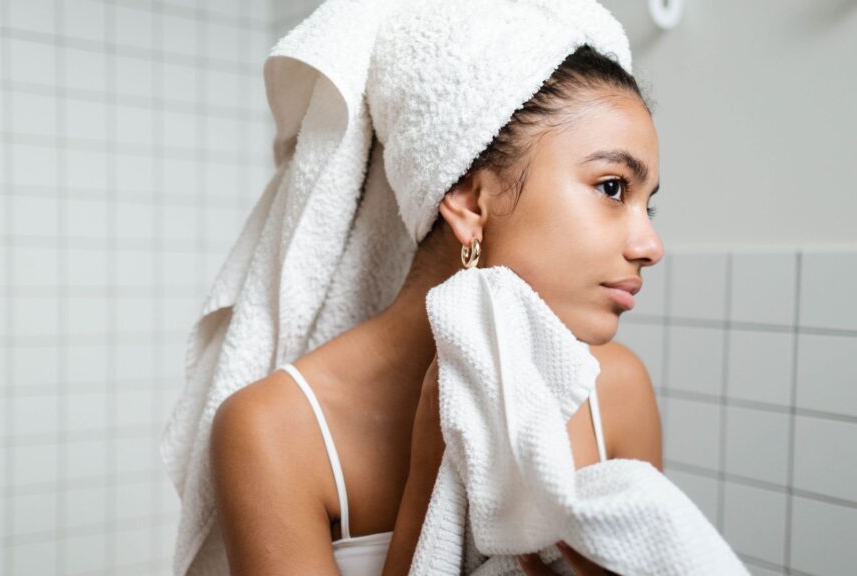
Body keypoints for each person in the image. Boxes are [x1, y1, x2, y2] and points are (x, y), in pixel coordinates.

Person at [208, 43, 664, 575]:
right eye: (612, 187)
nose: (651, 245)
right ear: (472, 205)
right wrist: (430, 472)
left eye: (648, 203)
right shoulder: (274, 430)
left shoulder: (619, 390)